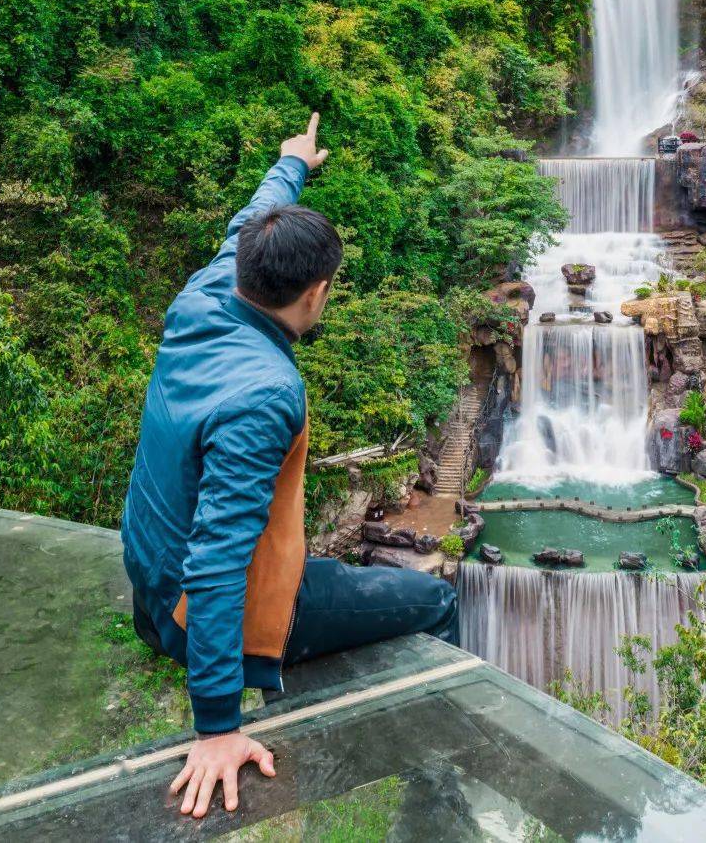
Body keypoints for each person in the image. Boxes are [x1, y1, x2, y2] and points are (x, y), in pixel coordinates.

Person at [122, 116, 458, 820]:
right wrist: (216, 726)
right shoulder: (265, 395)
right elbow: (218, 561)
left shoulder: (206, 293)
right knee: (436, 600)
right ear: (315, 294)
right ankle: (433, 810)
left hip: (148, 587)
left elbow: (250, 219)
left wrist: (292, 164)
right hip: (193, 614)